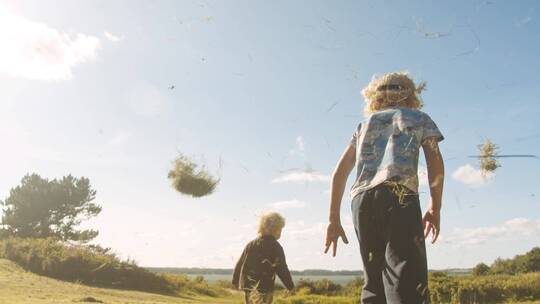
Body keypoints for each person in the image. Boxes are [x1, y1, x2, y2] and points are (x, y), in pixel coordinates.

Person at [324, 72, 445, 304]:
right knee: (406, 279)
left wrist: (333, 219)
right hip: (399, 195)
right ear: (410, 95)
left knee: (374, 278)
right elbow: (435, 160)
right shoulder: (418, 117)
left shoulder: (364, 124)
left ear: (375, 97)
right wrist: (435, 207)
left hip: (361, 201)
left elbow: (340, 172)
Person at [233, 212, 295, 304]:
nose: (281, 232)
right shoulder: (275, 246)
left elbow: (240, 263)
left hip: (249, 287)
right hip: (264, 287)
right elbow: (282, 268)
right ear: (274, 229)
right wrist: (290, 286)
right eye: (280, 229)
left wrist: (235, 280)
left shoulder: (251, 244)